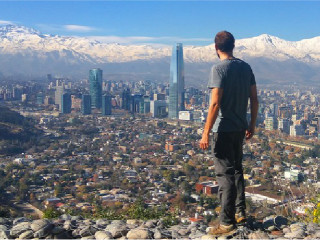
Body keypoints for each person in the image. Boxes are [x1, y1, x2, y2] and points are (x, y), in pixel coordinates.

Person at [199, 31, 259, 236]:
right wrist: (251, 124)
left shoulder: (218, 69)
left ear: (216, 48)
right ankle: (240, 212)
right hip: (239, 128)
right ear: (233, 46)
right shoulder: (246, 67)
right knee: (237, 170)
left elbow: (215, 103)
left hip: (223, 130)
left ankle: (226, 222)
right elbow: (254, 99)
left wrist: (206, 132)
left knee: (225, 175)